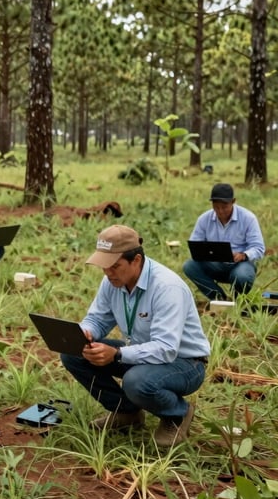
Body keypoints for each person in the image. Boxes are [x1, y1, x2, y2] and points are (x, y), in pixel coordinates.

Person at [60, 225, 210, 448]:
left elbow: (166, 348)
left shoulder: (167, 287)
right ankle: (127, 413)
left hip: (184, 362)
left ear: (136, 260)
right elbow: (97, 319)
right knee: (74, 353)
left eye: (115, 266)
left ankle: (177, 414)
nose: (108, 272)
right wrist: (85, 333)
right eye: (104, 266)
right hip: (141, 352)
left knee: (136, 381)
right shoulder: (112, 281)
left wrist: (117, 354)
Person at [182, 183, 265, 301]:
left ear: (233, 201)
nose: (220, 211)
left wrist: (243, 255)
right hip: (214, 264)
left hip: (240, 265)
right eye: (216, 207)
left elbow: (259, 248)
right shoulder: (204, 219)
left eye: (224, 206)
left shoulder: (248, 218)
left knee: (242, 276)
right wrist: (204, 253)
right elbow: (195, 244)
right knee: (189, 266)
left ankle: (238, 301)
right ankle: (218, 298)